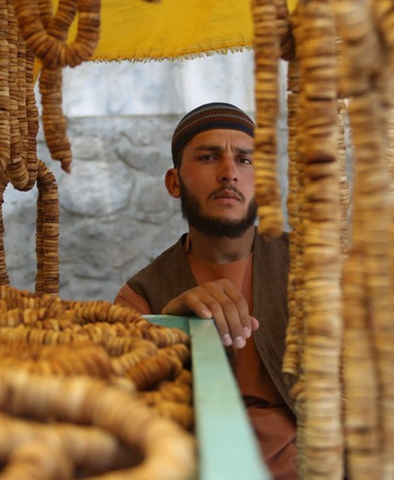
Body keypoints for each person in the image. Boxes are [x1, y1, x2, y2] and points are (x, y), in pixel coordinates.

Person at [114, 102, 297, 480]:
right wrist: (165, 327)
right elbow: (124, 411)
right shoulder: (140, 296)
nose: (229, 173)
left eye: (245, 160)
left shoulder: (316, 266)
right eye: (209, 157)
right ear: (174, 182)